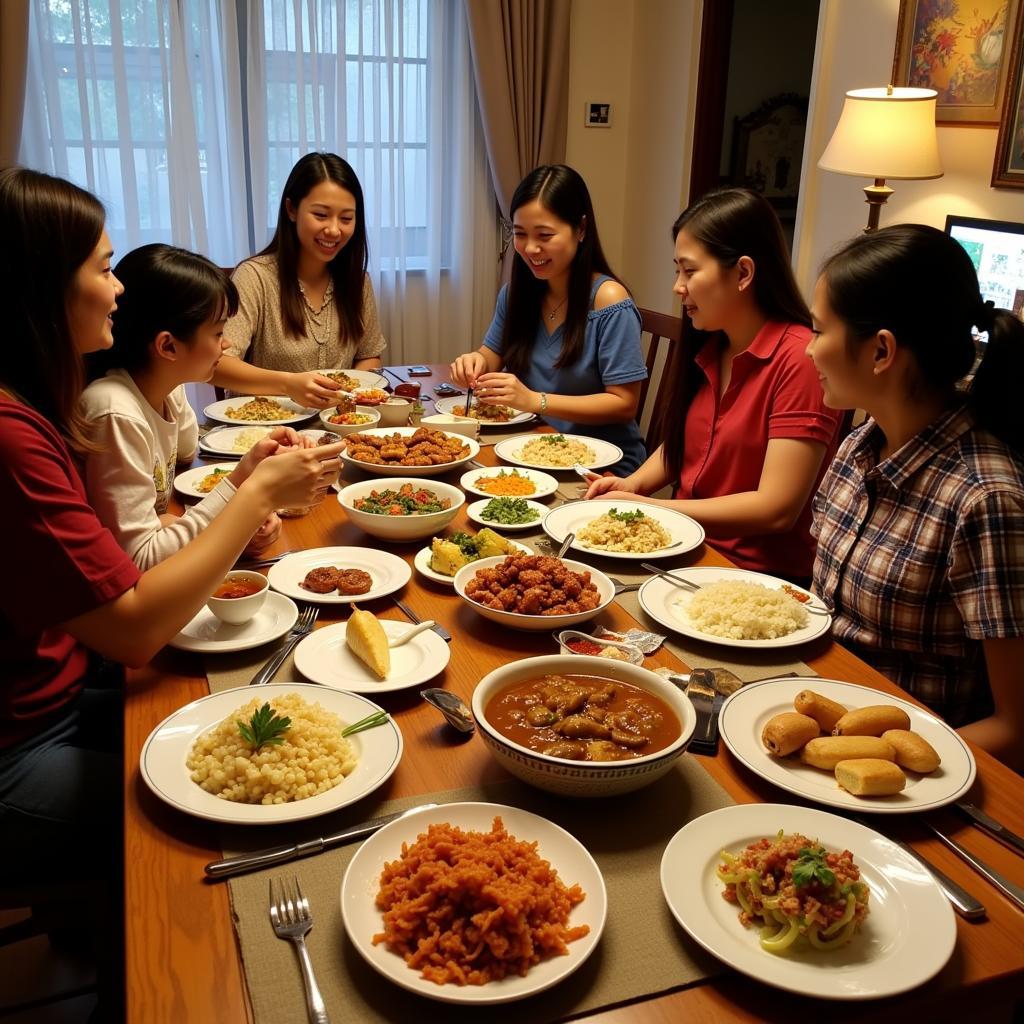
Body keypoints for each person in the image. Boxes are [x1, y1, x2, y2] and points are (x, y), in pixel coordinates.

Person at [0, 168, 344, 1005]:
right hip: (16, 744)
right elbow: (131, 630)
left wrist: (241, 495)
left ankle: (100, 938)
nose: (116, 289)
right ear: (43, 286)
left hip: (61, 686)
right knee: (208, 819)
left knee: (232, 734)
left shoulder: (40, 403)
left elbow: (115, 576)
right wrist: (253, 493)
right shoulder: (16, 435)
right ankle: (155, 988)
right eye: (102, 265)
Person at [807, 224, 1024, 768]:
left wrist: (887, 767)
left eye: (818, 331)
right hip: (812, 714)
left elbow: (1014, 727)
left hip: (905, 776)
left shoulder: (985, 499)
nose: (809, 350)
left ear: (881, 350)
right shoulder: (861, 443)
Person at [586, 187, 840, 581]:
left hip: (755, 578)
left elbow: (775, 509)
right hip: (685, 551)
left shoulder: (799, 359)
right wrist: (632, 485)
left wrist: (653, 509)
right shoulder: (713, 344)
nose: (677, 286)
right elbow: (685, 444)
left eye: (689, 271)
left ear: (743, 273)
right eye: (677, 271)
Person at [81, 243, 310, 569]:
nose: (227, 343)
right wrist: (242, 506)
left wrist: (246, 473)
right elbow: (139, 558)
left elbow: (186, 451)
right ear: (168, 345)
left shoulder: (159, 388)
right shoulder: (115, 412)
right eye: (218, 332)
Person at [449, 164, 648, 474]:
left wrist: (535, 401)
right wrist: (474, 363)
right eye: (520, 234)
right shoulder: (517, 293)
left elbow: (624, 404)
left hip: (600, 466)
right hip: (532, 448)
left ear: (581, 229)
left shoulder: (609, 300)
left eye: (544, 235)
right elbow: (491, 355)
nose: (530, 248)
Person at [215, 152, 386, 408]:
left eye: (346, 218)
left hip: (337, 425)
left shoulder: (357, 282)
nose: (334, 230)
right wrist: (287, 384)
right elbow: (217, 364)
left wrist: (350, 397)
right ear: (291, 209)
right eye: (320, 215)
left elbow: (369, 355)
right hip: (269, 431)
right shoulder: (256, 277)